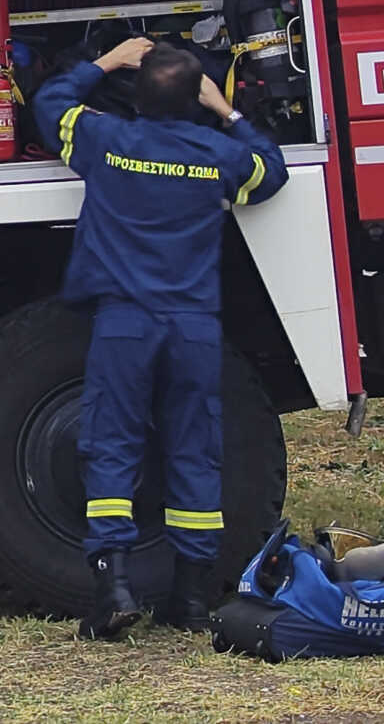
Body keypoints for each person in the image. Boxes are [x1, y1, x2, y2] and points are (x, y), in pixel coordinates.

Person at [30, 37, 288, 639]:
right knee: (194, 448)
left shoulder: (106, 140)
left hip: (125, 324)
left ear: (136, 99)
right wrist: (227, 111)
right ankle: (192, 601)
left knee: (111, 445)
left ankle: (113, 589)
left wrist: (107, 61)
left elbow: (51, 102)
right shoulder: (216, 153)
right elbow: (270, 170)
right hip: (193, 326)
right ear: (194, 100)